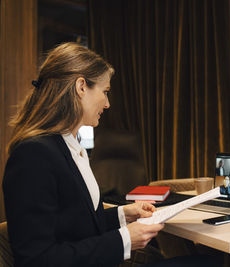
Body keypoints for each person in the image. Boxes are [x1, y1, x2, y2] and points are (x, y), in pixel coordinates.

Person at [2, 43, 165, 267]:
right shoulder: (33, 155)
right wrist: (124, 240)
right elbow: (37, 259)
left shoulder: (69, 145)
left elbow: (73, 226)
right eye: (105, 91)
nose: (107, 104)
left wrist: (122, 215)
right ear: (81, 86)